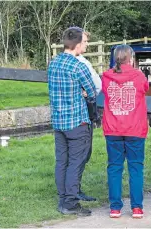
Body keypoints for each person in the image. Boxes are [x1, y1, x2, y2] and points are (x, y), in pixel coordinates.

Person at [48, 26, 96, 216]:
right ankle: (70, 203)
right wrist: (83, 93)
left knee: (62, 161)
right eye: (84, 42)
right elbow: (92, 92)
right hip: (77, 122)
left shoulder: (53, 63)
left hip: (59, 122)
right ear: (76, 44)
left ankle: (63, 198)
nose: (86, 45)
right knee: (76, 162)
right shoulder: (78, 66)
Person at [101, 45, 149, 219]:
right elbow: (145, 88)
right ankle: (137, 207)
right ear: (132, 58)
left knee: (114, 167)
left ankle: (115, 207)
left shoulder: (106, 77)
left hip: (113, 128)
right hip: (135, 128)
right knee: (136, 167)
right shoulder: (138, 76)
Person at [76, 31, 102, 202]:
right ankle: (73, 190)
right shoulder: (76, 63)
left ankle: (73, 188)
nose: (87, 44)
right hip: (83, 108)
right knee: (80, 152)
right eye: (85, 41)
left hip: (89, 105)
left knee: (83, 152)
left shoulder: (81, 60)